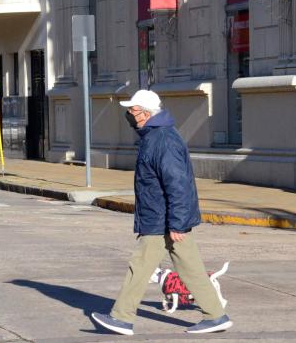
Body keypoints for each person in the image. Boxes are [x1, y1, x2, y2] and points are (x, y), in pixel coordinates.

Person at [91, 90, 233, 336]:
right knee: (190, 269)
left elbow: (178, 184)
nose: (128, 115)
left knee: (140, 266)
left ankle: (121, 318)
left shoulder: (162, 140)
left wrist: (177, 224)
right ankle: (216, 315)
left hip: (162, 219)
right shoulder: (154, 136)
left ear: (145, 114)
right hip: (163, 217)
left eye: (132, 110)